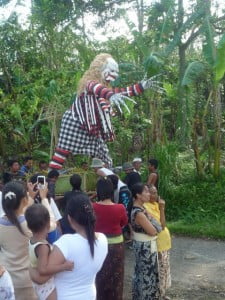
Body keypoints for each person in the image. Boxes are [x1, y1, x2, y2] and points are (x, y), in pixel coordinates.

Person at [49, 53, 163, 170]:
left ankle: (106, 179)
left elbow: (121, 92)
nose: (115, 75)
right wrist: (110, 95)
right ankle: (51, 179)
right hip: (75, 122)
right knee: (62, 151)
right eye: (112, 71)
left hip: (92, 128)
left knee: (105, 158)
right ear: (100, 69)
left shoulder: (106, 89)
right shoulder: (88, 83)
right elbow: (97, 89)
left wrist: (141, 86)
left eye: (116, 72)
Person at [30, 193, 108, 300]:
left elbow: (40, 278)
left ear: (70, 219)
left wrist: (27, 267)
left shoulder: (66, 243)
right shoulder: (103, 239)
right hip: (89, 295)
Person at [25, 204, 74, 300]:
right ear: (48, 224)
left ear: (29, 226)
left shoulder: (32, 240)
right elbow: (42, 270)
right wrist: (64, 266)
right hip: (46, 287)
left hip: (38, 284)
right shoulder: (43, 247)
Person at [0, 181, 37, 299]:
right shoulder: (30, 224)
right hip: (28, 279)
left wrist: (29, 198)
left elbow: (19, 214)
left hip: (6, 279)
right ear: (24, 200)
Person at [93, 178, 128, 300]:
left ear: (98, 191)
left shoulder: (92, 207)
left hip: (97, 244)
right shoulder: (120, 208)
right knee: (116, 278)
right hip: (117, 246)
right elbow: (124, 223)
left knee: (99, 276)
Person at [130, 182, 162, 300]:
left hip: (144, 245)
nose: (149, 194)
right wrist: (152, 220)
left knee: (143, 273)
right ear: (138, 195)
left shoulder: (142, 209)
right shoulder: (139, 213)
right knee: (146, 274)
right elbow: (154, 231)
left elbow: (158, 227)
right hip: (145, 248)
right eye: (146, 191)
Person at [144, 185, 171, 300]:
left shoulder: (155, 204)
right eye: (151, 193)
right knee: (159, 270)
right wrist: (162, 209)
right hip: (157, 244)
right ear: (146, 194)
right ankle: (158, 295)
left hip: (165, 243)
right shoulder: (146, 207)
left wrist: (160, 207)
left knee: (165, 269)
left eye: (155, 193)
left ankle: (163, 293)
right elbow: (162, 225)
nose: (154, 195)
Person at [29, 174, 62, 244]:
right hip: (49, 237)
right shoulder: (48, 199)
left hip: (33, 239)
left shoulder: (27, 200)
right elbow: (57, 222)